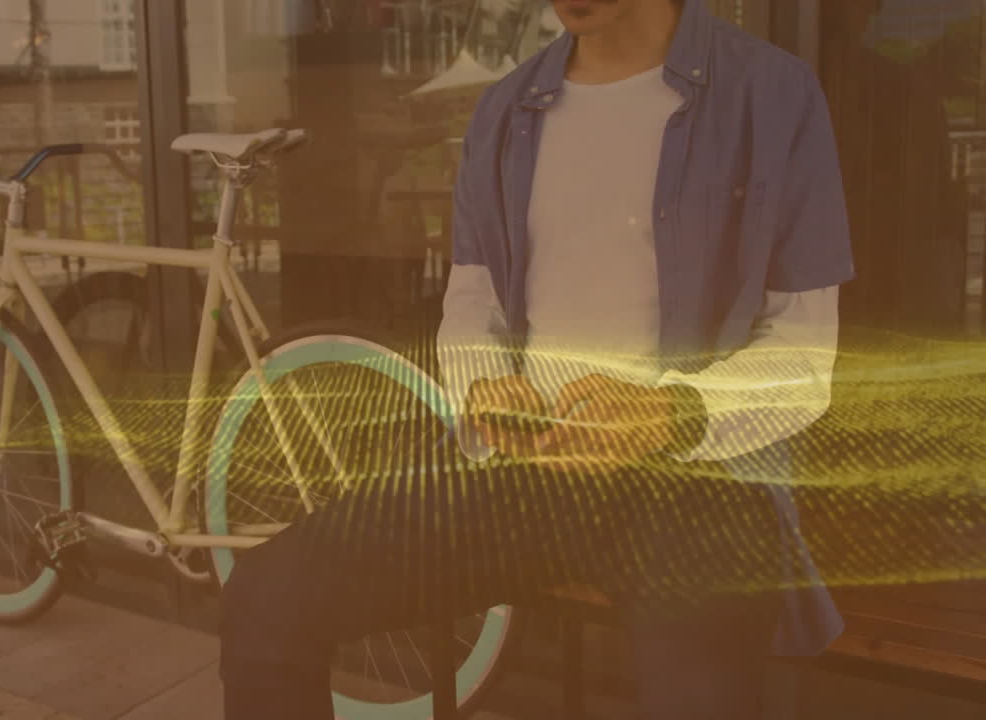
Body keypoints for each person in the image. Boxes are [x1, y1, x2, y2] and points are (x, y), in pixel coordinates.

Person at [219, 1, 854, 717]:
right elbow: (472, 303)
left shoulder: (771, 93)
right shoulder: (506, 108)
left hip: (699, 487)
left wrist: (671, 412)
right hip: (527, 474)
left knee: (698, 700)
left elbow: (804, 355)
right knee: (267, 594)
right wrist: (487, 384)